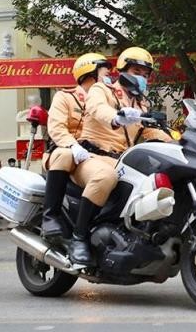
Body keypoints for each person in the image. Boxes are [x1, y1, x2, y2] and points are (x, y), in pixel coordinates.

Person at [70, 46, 171, 265]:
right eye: (137, 72)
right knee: (106, 176)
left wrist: (177, 141)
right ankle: (78, 238)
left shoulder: (141, 104)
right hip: (91, 156)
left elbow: (150, 131)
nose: (141, 78)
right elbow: (97, 109)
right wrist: (117, 117)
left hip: (120, 160)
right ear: (122, 70)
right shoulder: (102, 90)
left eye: (145, 75)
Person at [40, 52, 109, 239]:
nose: (109, 78)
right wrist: (73, 145)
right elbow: (56, 128)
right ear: (90, 74)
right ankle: (50, 216)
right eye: (105, 74)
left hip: (93, 156)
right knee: (65, 155)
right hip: (64, 152)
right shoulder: (65, 97)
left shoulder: (109, 101)